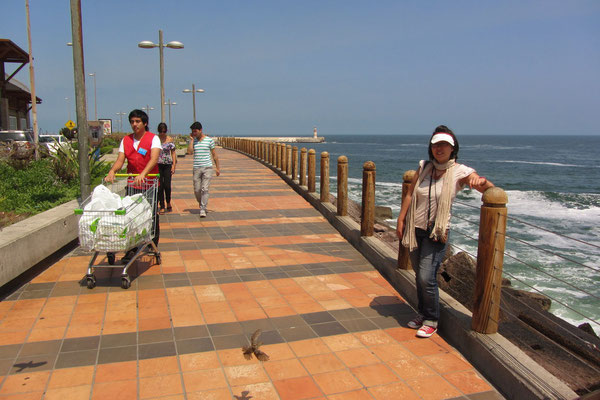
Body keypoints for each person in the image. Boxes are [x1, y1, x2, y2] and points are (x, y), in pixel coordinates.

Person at [396, 125, 494, 338]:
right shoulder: (424, 168)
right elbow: (410, 194)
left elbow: (487, 188)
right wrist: (401, 219)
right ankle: (422, 314)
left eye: (444, 145)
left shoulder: (460, 171)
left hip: (436, 232)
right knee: (419, 276)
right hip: (415, 229)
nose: (439, 149)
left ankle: (432, 319)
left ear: (453, 148)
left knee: (425, 276)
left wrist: (482, 183)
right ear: (430, 148)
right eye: (435, 145)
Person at [105, 109, 161, 262]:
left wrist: (143, 174)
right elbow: (120, 160)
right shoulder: (126, 140)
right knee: (130, 215)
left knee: (150, 213)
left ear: (145, 123)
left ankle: (152, 243)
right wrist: (112, 171)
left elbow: (154, 159)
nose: (134, 124)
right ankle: (132, 247)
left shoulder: (153, 139)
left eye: (137, 121)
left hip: (149, 182)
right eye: (132, 122)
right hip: (132, 183)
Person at [187, 121, 220, 217]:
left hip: (207, 167)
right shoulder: (194, 141)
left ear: (200, 130)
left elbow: (214, 155)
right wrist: (192, 140)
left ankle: (203, 208)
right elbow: (189, 152)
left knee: (204, 188)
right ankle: (201, 202)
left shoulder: (209, 141)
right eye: (193, 132)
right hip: (196, 167)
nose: (194, 133)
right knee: (197, 190)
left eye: (195, 131)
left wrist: (218, 168)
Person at [156, 122, 177, 214]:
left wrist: (173, 165)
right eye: (161, 131)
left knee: (167, 186)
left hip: (168, 164)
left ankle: (168, 201)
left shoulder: (169, 139)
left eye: (164, 131)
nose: (162, 133)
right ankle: (162, 205)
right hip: (158, 164)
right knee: (160, 186)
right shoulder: (156, 139)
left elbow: (173, 153)